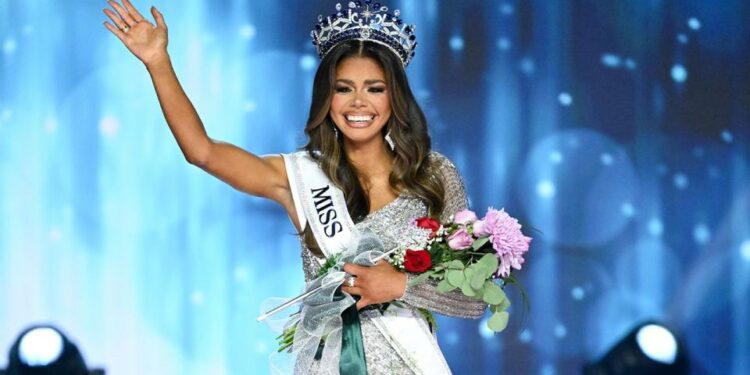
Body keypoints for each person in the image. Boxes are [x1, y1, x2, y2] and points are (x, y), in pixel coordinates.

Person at [103, 1, 485, 373]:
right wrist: (158, 63)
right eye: (343, 88)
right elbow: (202, 152)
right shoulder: (299, 176)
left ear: (394, 97)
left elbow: (474, 295)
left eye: (374, 88)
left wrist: (400, 285)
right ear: (327, 97)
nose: (358, 102)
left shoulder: (432, 176)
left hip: (411, 360)